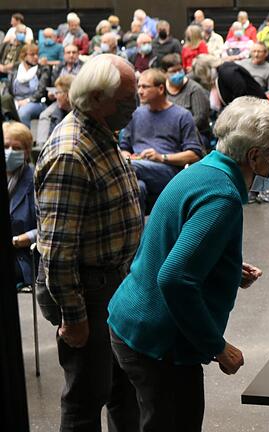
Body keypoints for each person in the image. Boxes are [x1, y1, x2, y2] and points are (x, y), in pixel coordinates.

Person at [108, 96, 269, 431]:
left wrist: (227, 268)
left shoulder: (202, 171)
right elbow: (175, 279)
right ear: (254, 156)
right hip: (161, 345)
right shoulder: (222, 196)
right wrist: (218, 348)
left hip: (128, 322)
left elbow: (171, 244)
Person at [34, 53, 141, 432]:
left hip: (115, 282)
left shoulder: (103, 133)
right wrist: (74, 319)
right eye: (127, 100)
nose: (135, 106)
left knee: (124, 388)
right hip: (86, 290)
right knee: (86, 396)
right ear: (97, 99)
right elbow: (58, 252)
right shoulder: (70, 153)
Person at [120, 68, 203, 214]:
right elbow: (124, 147)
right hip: (138, 166)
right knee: (138, 187)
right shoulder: (136, 114)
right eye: (138, 87)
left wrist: (161, 157)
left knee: (127, 167)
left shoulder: (182, 115)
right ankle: (141, 234)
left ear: (160, 88)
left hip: (167, 170)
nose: (140, 91)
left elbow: (194, 154)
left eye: (145, 87)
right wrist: (127, 155)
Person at [5, 121, 37, 288]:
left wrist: (17, 241)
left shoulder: (35, 180)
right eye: (5, 146)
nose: (9, 152)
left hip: (21, 255)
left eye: (16, 148)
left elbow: (45, 229)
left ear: (27, 152)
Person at [161, 54, 212, 146]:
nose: (177, 74)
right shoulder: (162, 89)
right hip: (167, 134)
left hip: (195, 134)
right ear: (164, 73)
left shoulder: (195, 90)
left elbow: (200, 118)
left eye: (179, 70)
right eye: (173, 71)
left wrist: (178, 130)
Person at [3, 44, 50, 127]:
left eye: (37, 54)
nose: (35, 57)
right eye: (32, 54)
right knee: (5, 111)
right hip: (16, 101)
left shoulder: (43, 69)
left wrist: (27, 101)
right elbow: (7, 88)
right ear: (24, 56)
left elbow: (41, 91)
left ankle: (25, 138)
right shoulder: (16, 69)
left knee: (23, 112)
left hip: (36, 102)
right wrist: (12, 102)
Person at [39, 74, 74, 138]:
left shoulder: (81, 117)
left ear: (67, 95)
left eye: (57, 93)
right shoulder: (56, 113)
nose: (55, 96)